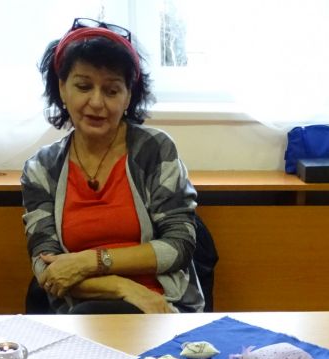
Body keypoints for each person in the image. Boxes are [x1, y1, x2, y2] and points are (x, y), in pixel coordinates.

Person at [21, 18, 203, 314]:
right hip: (79, 309)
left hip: (160, 305)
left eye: (112, 90)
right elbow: (47, 269)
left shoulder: (155, 150)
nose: (96, 102)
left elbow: (179, 245)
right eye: (83, 86)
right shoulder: (41, 169)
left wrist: (90, 261)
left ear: (128, 96)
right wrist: (122, 287)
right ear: (62, 88)